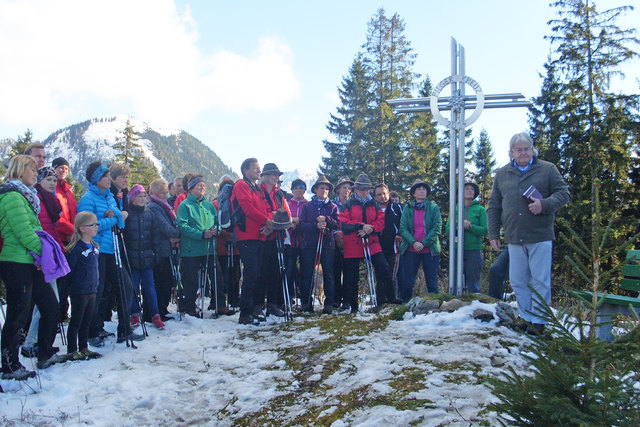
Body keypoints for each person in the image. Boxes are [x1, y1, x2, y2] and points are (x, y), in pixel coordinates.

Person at [488, 132, 570, 334]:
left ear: (533, 149)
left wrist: (544, 204)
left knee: (540, 280)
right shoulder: (502, 174)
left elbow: (564, 193)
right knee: (517, 280)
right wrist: (493, 234)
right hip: (514, 236)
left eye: (527, 149)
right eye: (519, 150)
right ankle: (525, 318)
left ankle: (539, 323)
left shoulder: (547, 169)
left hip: (540, 235)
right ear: (511, 152)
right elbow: (494, 206)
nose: (523, 153)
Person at [0, 155, 62, 380]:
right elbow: (24, 231)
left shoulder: (26, 196)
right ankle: (9, 365)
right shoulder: (11, 196)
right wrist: (45, 255)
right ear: (20, 169)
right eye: (32, 170)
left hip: (30, 261)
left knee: (51, 307)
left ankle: (44, 353)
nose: (36, 174)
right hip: (16, 262)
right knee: (18, 313)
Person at [77, 161, 143, 346]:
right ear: (96, 179)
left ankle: (124, 329)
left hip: (112, 249)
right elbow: (87, 226)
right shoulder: (88, 199)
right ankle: (91, 331)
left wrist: (113, 217)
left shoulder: (109, 198)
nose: (108, 179)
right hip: (96, 250)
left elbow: (121, 222)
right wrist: (111, 219)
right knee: (97, 291)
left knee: (126, 286)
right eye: (105, 176)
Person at [20, 167, 64, 357]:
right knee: (48, 302)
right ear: (39, 181)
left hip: (49, 254)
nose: (53, 183)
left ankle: (36, 342)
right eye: (49, 180)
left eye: (55, 180)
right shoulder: (37, 200)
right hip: (41, 257)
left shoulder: (51, 200)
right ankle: (32, 343)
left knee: (47, 303)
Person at [339, 174, 395, 312]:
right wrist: (360, 226)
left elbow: (381, 221)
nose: (365, 192)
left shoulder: (374, 204)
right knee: (352, 276)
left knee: (384, 269)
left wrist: (370, 229)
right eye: (362, 189)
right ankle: (354, 306)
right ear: (356, 189)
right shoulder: (348, 204)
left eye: (367, 189)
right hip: (352, 244)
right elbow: (343, 222)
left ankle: (390, 300)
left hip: (372, 242)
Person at [177, 175, 230, 317]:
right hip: (191, 249)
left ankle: (220, 305)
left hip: (209, 248)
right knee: (191, 280)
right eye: (199, 185)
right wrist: (201, 234)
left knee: (217, 276)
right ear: (191, 188)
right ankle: (189, 306)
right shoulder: (184, 205)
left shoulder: (209, 206)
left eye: (204, 186)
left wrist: (215, 231)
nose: (202, 188)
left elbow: (217, 224)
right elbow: (182, 226)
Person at [231, 158, 273, 325]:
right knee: (250, 274)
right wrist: (267, 221)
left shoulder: (256, 188)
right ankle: (245, 313)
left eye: (259, 168)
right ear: (245, 170)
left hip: (258, 235)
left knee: (256, 274)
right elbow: (247, 208)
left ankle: (252, 309)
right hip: (246, 235)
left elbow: (264, 209)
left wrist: (268, 225)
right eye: (255, 168)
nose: (258, 170)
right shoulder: (241, 185)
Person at [124, 184, 165, 330]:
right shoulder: (128, 214)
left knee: (150, 287)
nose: (142, 199)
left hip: (147, 257)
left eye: (143, 196)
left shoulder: (149, 214)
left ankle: (155, 314)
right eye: (139, 196)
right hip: (132, 257)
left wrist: (155, 253)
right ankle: (134, 314)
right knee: (134, 288)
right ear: (133, 198)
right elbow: (126, 236)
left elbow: (155, 236)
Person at [65, 212, 102, 360]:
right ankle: (72, 350)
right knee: (76, 320)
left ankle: (83, 347)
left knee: (87, 320)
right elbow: (70, 271)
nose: (96, 227)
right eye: (92, 225)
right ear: (82, 228)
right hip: (79, 291)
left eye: (96, 224)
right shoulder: (76, 249)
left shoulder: (93, 246)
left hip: (91, 289)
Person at [299, 176, 339, 313]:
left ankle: (329, 304)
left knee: (329, 274)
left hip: (327, 244)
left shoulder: (333, 207)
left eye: (327, 189)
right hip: (309, 244)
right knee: (307, 274)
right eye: (322, 188)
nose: (325, 191)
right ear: (315, 189)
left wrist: (326, 220)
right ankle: (306, 303)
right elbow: (302, 225)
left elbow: (337, 223)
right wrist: (316, 225)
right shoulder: (307, 206)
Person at [257, 163, 292, 318]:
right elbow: (259, 212)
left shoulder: (279, 194)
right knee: (262, 271)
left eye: (277, 175)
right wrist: (276, 217)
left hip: (277, 236)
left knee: (277, 271)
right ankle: (257, 305)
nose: (276, 177)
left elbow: (287, 214)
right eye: (273, 174)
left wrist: (274, 220)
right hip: (263, 237)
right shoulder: (258, 192)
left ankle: (273, 304)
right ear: (264, 176)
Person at [399, 179, 442, 296]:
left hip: (430, 250)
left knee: (431, 282)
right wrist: (414, 243)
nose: (422, 191)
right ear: (413, 193)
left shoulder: (433, 207)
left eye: (424, 189)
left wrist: (423, 243)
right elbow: (403, 228)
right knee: (407, 282)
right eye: (419, 189)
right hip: (411, 250)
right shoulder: (407, 208)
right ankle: (406, 307)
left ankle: (435, 308)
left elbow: (437, 228)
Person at [444, 182, 488, 294]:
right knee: (454, 279)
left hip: (474, 250)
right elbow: (448, 229)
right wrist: (458, 226)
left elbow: (485, 230)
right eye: (466, 188)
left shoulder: (480, 210)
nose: (469, 191)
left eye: (472, 189)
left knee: (473, 281)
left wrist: (470, 227)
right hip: (456, 249)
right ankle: (454, 303)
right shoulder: (455, 209)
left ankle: (475, 304)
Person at [147, 178, 180, 320]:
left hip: (165, 248)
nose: (165, 195)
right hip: (159, 249)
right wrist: (177, 234)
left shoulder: (163, 206)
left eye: (166, 192)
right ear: (154, 192)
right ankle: (156, 311)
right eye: (162, 192)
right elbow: (164, 227)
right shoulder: (154, 206)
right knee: (160, 281)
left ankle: (162, 309)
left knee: (166, 280)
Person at [52, 157, 77, 321]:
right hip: (59, 238)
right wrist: (73, 230)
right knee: (60, 279)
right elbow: (56, 216)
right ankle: (57, 314)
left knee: (68, 278)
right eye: (60, 168)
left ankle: (63, 312)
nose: (63, 171)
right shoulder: (53, 188)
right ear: (54, 169)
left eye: (66, 168)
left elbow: (73, 212)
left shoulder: (68, 190)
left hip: (71, 238)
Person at [212, 176, 241, 309]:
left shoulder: (230, 203)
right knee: (223, 274)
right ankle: (220, 300)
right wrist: (230, 235)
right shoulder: (216, 204)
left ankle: (231, 298)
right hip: (224, 245)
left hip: (230, 245)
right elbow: (214, 223)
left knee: (233, 273)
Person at [373, 183, 403, 302]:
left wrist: (400, 234)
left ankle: (391, 298)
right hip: (376, 246)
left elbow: (404, 223)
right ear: (375, 197)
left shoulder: (398, 208)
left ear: (388, 194)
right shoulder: (373, 209)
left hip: (393, 246)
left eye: (384, 193)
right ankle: (381, 300)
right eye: (379, 194)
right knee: (380, 273)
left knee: (390, 273)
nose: (382, 196)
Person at [331, 176, 353, 310]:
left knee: (349, 271)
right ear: (338, 189)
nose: (347, 190)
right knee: (335, 271)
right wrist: (336, 233)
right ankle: (336, 299)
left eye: (349, 188)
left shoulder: (353, 204)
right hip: (333, 241)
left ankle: (347, 300)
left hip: (350, 241)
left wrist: (344, 234)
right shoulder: (332, 204)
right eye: (344, 187)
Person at [287, 178, 308, 306]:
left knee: (305, 271)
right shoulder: (288, 204)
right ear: (292, 190)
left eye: (301, 188)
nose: (299, 190)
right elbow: (284, 220)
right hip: (290, 241)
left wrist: (298, 221)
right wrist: (292, 223)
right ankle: (289, 298)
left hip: (305, 242)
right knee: (289, 270)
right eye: (296, 188)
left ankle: (305, 299)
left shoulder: (308, 204)